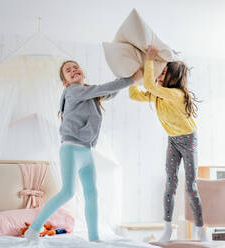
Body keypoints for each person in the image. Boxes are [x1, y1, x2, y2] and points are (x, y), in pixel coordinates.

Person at [24, 60, 143, 242]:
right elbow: (102, 89)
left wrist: (127, 76)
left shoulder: (88, 94)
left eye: (76, 67)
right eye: (68, 70)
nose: (73, 70)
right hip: (71, 148)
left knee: (92, 193)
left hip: (87, 151)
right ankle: (33, 229)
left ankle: (94, 238)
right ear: (65, 82)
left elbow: (108, 92)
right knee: (68, 192)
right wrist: (132, 79)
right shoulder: (73, 91)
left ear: (82, 72)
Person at [129, 46, 206, 243]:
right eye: (160, 72)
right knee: (170, 184)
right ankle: (167, 229)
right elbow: (134, 95)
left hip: (188, 140)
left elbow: (150, 86)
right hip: (173, 139)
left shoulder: (176, 95)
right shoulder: (158, 95)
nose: (159, 76)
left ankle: (199, 228)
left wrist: (149, 60)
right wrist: (132, 77)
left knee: (190, 186)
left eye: (163, 72)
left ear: (173, 77)